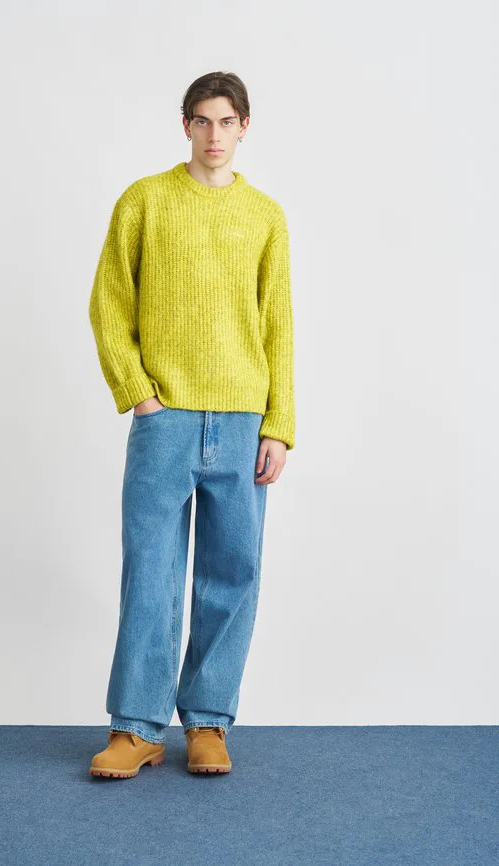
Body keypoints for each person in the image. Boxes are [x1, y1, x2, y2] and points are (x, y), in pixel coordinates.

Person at [87, 71, 295, 778]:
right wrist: (138, 393)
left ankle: (208, 721)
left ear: (244, 128)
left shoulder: (265, 216)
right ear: (185, 126)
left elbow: (278, 324)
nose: (214, 135)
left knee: (232, 572)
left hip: (242, 420)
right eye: (202, 121)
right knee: (151, 570)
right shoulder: (145, 201)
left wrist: (279, 424)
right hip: (165, 418)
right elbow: (109, 303)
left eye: (227, 122)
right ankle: (136, 728)